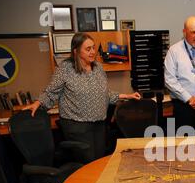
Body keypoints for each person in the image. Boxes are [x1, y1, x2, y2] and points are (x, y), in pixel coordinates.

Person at [24, 32, 141, 163]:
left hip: (99, 124)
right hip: (77, 125)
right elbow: (51, 91)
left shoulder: (98, 68)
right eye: (88, 49)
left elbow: (103, 93)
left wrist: (126, 95)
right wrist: (38, 102)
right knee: (87, 162)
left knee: (99, 161)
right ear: (76, 51)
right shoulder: (66, 69)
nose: (92, 52)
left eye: (93, 47)